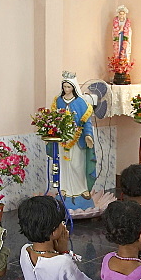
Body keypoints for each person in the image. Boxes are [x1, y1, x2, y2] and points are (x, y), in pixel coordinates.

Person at [52, 73, 97, 205]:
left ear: (73, 87)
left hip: (77, 139)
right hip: (63, 138)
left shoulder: (80, 102)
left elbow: (86, 121)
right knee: (64, 164)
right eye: (64, 86)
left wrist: (88, 135)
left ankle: (82, 189)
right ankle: (64, 188)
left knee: (77, 164)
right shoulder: (58, 101)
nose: (66, 89)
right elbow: (54, 119)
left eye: (68, 87)